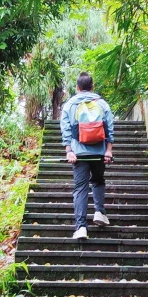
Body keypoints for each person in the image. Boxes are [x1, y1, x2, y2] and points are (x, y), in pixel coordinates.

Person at [59, 72, 115, 241]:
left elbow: (66, 130)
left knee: (80, 188)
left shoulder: (69, 105)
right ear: (92, 87)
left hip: (79, 154)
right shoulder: (102, 104)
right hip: (99, 152)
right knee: (98, 181)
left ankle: (81, 227)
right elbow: (109, 129)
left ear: (77, 88)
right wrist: (108, 150)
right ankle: (99, 212)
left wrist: (69, 151)